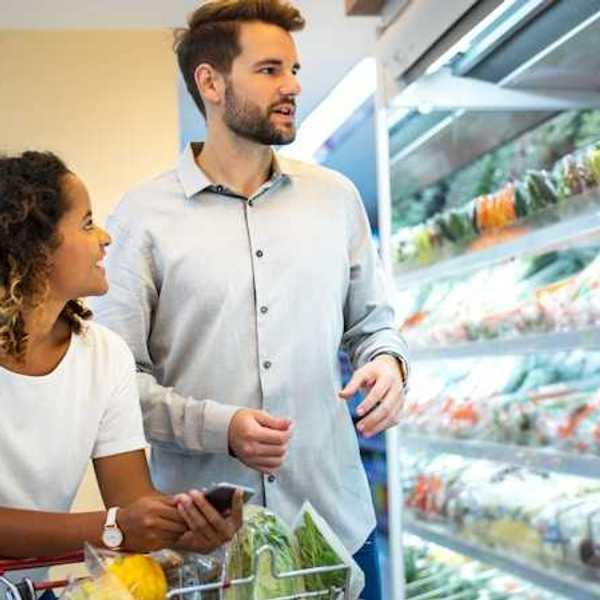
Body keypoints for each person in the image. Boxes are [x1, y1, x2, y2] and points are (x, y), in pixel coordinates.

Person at [92, 1, 408, 597]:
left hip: (335, 528)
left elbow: (375, 325)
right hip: (209, 550)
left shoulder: (335, 199)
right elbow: (113, 386)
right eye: (268, 70)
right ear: (210, 82)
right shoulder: (143, 217)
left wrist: (388, 363)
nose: (291, 86)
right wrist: (220, 428)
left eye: (293, 69)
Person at [0, 151, 242, 598]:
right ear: (34, 245)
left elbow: (131, 503)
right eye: (87, 223)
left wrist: (183, 527)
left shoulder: (103, 354)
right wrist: (114, 528)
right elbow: (119, 522)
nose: (105, 238)